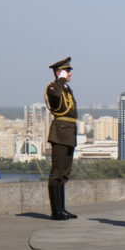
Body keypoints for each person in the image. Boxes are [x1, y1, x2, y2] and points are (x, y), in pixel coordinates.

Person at [45, 57, 78, 220]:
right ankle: (55, 211)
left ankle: (62, 208)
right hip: (60, 133)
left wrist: (63, 81)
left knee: (64, 172)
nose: (70, 73)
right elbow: (55, 97)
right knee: (56, 171)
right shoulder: (53, 87)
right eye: (67, 70)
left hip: (69, 132)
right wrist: (61, 79)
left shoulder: (66, 88)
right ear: (60, 72)